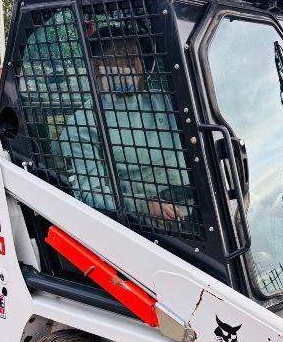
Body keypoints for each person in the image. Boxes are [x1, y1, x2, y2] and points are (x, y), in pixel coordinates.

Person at [52, 23, 192, 229]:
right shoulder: (83, 125)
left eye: (137, 56)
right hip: (147, 230)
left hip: (202, 211)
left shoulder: (167, 102)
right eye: (126, 57)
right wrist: (145, 206)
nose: (137, 65)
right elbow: (91, 193)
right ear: (98, 66)